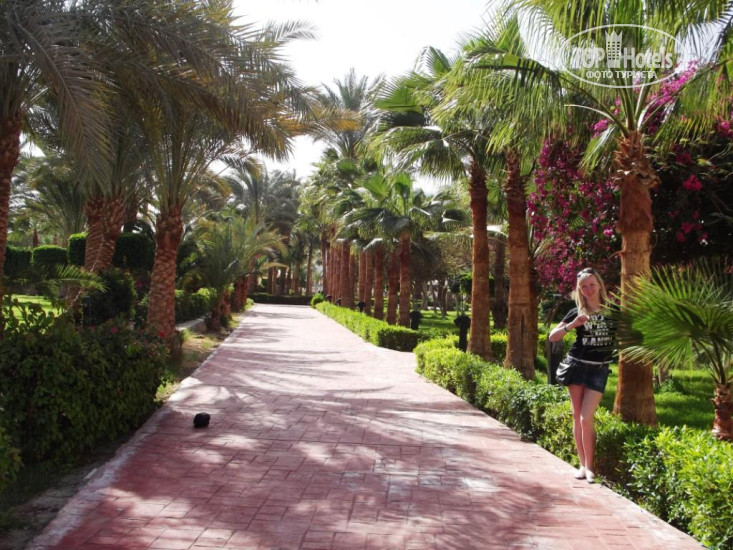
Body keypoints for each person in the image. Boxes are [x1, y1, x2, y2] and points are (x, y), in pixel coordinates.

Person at [549, 267, 615, 483]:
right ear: (579, 289)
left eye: (592, 285)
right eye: (583, 286)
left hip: (599, 369)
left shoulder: (613, 312)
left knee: (587, 418)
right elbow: (552, 337)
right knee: (577, 416)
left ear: (599, 286)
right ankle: (583, 465)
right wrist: (573, 325)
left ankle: (591, 466)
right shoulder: (576, 311)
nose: (588, 289)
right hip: (577, 366)